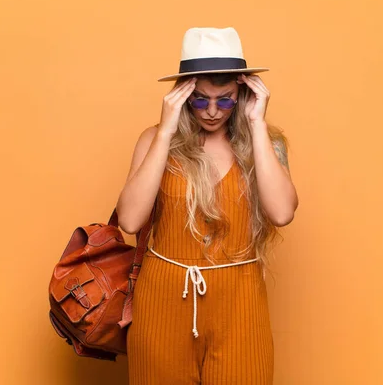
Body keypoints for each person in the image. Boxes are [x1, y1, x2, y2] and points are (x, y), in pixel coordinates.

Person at [116, 27, 298, 385]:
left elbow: (282, 213)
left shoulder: (267, 144)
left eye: (225, 99)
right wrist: (167, 131)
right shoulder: (154, 139)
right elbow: (131, 219)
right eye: (200, 99)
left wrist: (257, 124)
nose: (212, 111)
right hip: (163, 300)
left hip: (240, 301)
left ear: (243, 93)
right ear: (182, 95)